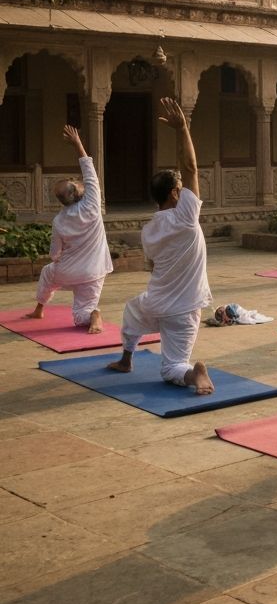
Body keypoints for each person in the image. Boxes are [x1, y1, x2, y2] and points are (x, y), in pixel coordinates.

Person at [108, 98, 214, 395]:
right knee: (171, 368)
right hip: (184, 309)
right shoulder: (186, 217)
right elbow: (191, 167)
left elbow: (153, 265)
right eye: (181, 188)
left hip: (155, 302)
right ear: (175, 194)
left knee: (132, 310)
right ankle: (193, 374)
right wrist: (182, 129)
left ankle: (126, 359)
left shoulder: (148, 230)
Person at [26, 125, 112, 334]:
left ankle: (39, 310)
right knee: (81, 315)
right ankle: (93, 314)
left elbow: (54, 254)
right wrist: (77, 143)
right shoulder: (92, 205)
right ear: (76, 193)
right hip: (94, 271)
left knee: (48, 273)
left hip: (68, 271)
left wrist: (59, 261)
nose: (80, 182)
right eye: (75, 182)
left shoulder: (59, 220)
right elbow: (89, 171)